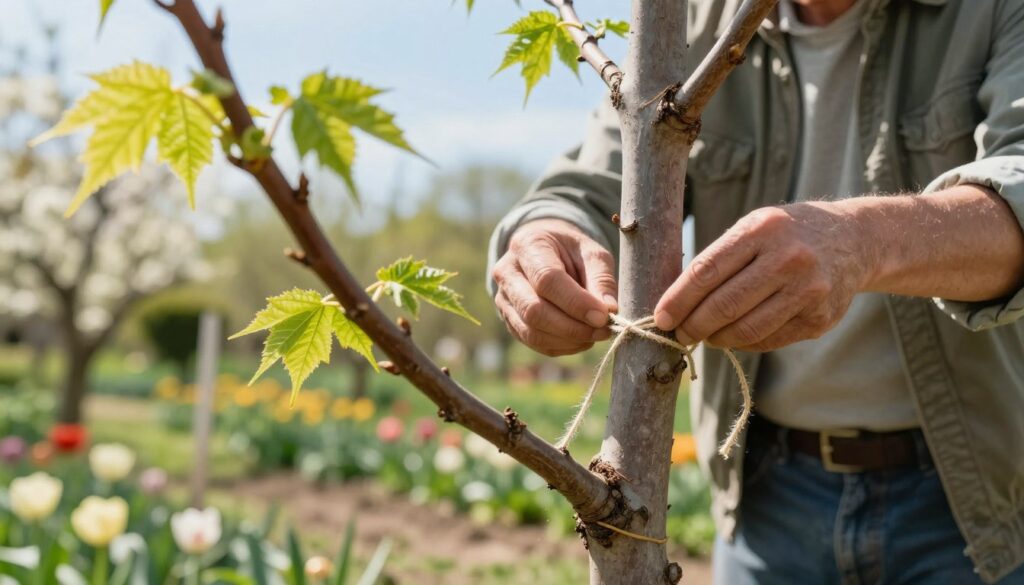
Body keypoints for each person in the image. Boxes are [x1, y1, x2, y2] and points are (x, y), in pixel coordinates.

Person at [486, 0, 1024, 583]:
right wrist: (545, 234)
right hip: (766, 503)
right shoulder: (688, 19)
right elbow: (593, 183)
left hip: (973, 503)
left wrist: (862, 241)